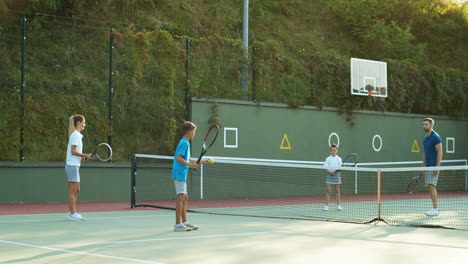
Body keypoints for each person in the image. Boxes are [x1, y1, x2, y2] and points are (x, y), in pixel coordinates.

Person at [172, 121, 211, 231]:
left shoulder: (185, 143)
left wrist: (202, 162)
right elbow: (178, 158)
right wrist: (191, 165)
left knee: (185, 198)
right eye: (193, 131)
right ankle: (178, 225)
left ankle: (185, 222)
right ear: (189, 132)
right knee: (180, 198)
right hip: (179, 173)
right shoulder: (184, 143)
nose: (194, 134)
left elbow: (187, 158)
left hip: (182, 173)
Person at [65, 115, 92, 221]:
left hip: (75, 165)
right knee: (72, 190)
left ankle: (72, 211)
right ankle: (72, 213)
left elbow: (75, 153)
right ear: (78, 123)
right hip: (72, 166)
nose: (85, 124)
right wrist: (85, 155)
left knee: (77, 190)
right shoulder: (75, 135)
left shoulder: (78, 135)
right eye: (84, 122)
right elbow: (73, 151)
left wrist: (83, 158)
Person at [422, 118, 443, 216]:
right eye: (423, 124)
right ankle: (435, 208)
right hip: (428, 166)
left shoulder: (436, 137)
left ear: (431, 125)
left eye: (426, 124)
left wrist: (437, 167)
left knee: (431, 186)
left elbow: (440, 152)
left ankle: (436, 209)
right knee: (430, 187)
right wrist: (423, 166)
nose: (424, 126)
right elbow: (425, 152)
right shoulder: (425, 138)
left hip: (434, 165)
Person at [323, 144, 343, 211]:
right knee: (328, 190)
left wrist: (335, 172)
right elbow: (325, 168)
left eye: (334, 150)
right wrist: (330, 172)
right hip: (329, 175)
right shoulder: (328, 159)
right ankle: (326, 206)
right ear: (330, 151)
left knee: (337, 191)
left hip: (337, 176)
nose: (333, 151)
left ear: (337, 151)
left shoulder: (339, 159)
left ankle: (339, 205)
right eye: (332, 150)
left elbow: (340, 168)